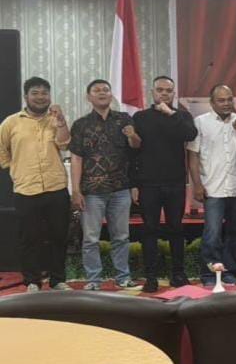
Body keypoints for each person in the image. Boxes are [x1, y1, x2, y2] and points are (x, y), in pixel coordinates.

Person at [0, 77, 72, 292]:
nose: (40, 97)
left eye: (44, 93)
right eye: (35, 93)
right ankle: (32, 280)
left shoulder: (55, 120)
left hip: (56, 187)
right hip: (26, 189)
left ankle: (58, 279)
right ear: (26, 96)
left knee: (59, 236)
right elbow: (2, 150)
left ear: (49, 96)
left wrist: (61, 121)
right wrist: (14, 168)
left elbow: (65, 144)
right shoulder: (11, 122)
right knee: (29, 238)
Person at [70, 79, 142, 291]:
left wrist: (132, 135)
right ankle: (94, 280)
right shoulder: (80, 124)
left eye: (106, 90)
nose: (102, 93)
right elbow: (76, 158)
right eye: (97, 90)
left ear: (111, 95)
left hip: (120, 188)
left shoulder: (124, 119)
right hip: (92, 191)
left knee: (121, 236)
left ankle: (123, 277)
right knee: (91, 238)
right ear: (88, 97)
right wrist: (76, 190)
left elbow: (136, 147)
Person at [133, 76, 198, 293]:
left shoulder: (182, 116)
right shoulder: (141, 117)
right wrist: (134, 184)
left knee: (176, 229)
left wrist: (171, 113)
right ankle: (150, 276)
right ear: (152, 92)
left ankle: (178, 274)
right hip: (148, 183)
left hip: (175, 183)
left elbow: (191, 134)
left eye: (168, 91)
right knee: (149, 230)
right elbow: (133, 151)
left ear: (173, 94)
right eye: (160, 90)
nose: (164, 94)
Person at [187, 85, 236, 287]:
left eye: (229, 99)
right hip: (213, 187)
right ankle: (209, 274)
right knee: (212, 234)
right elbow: (193, 156)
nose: (226, 103)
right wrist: (197, 184)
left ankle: (229, 271)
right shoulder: (200, 122)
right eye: (221, 100)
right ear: (212, 102)